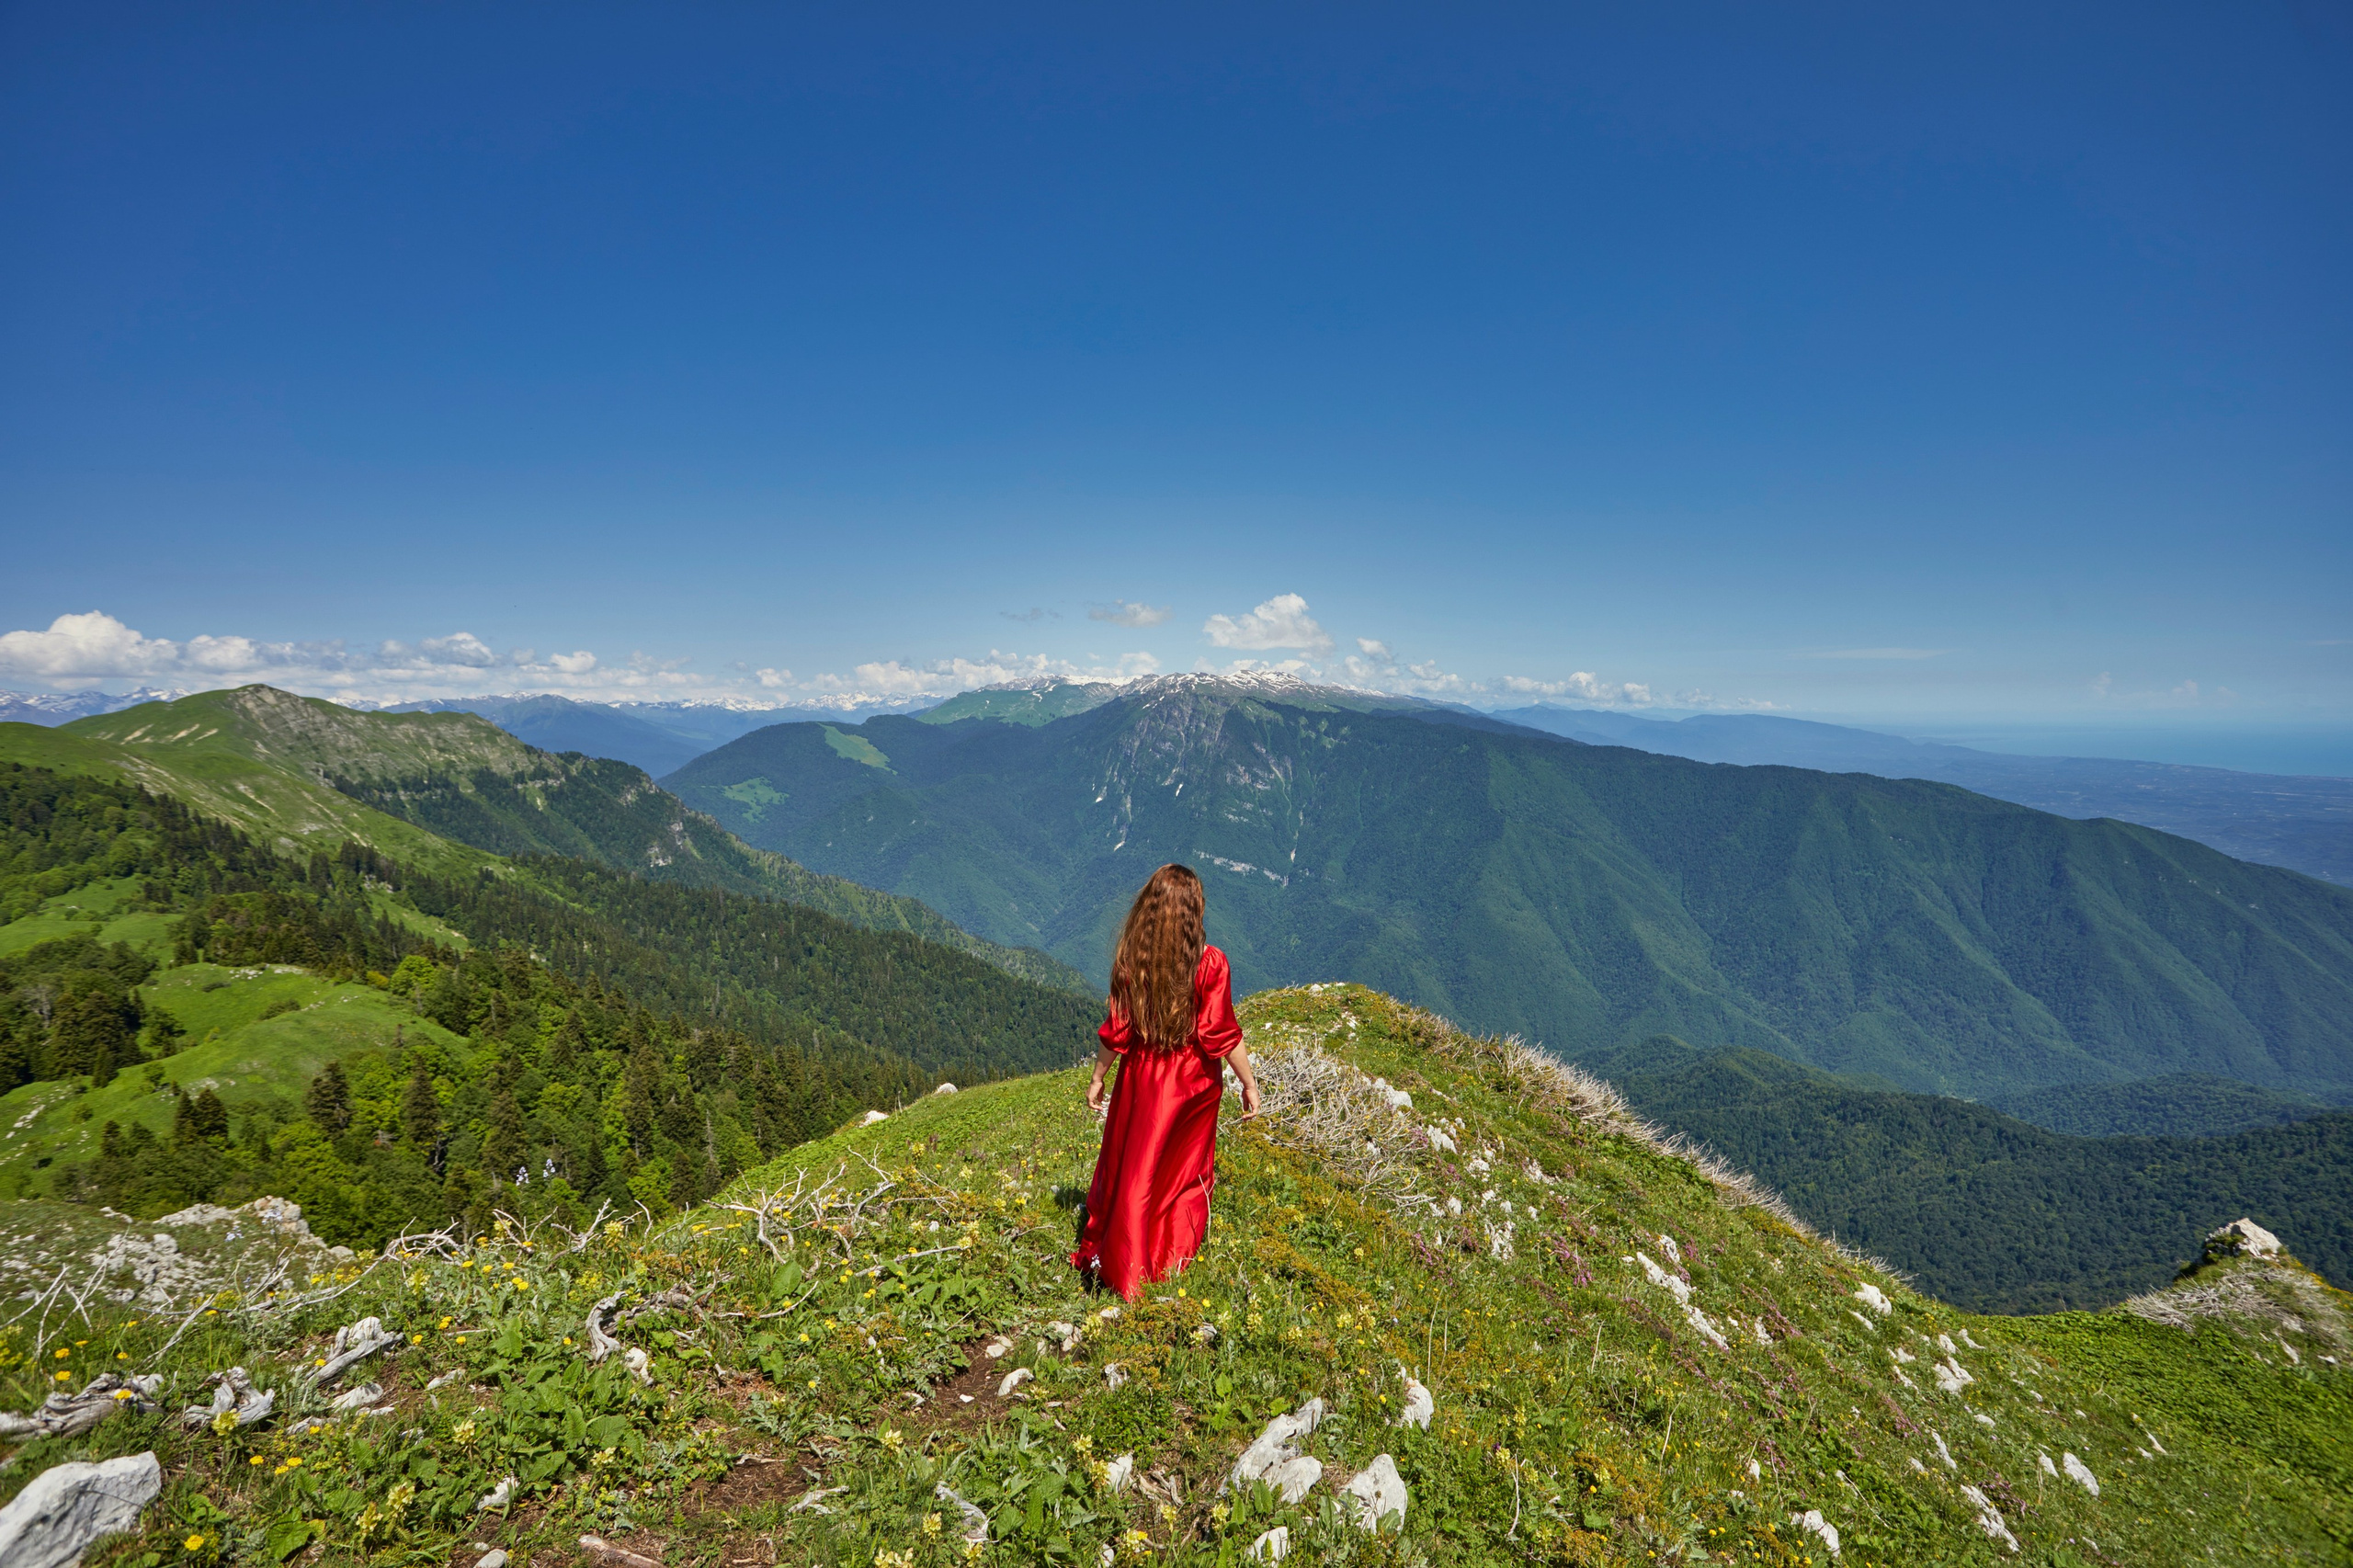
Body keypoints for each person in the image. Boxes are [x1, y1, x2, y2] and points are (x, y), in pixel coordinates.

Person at [1070, 863, 1263, 1299]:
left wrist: (1098, 1078)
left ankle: (1125, 1258)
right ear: (1194, 912)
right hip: (1192, 1086)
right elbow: (1219, 1034)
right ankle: (1167, 1260)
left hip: (1141, 1081)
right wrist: (1248, 1084)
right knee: (1179, 1178)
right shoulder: (1211, 964)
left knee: (1136, 1171)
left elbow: (1117, 1029)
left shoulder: (1132, 962)